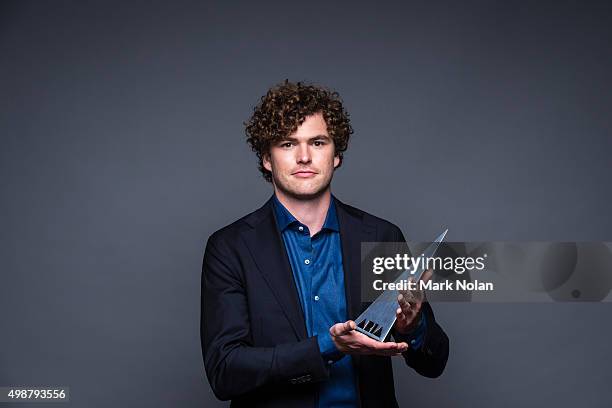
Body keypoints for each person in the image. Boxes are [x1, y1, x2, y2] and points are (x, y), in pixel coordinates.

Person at [201, 80, 449, 407]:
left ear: (336, 156)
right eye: (288, 144)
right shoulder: (230, 247)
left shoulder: (381, 236)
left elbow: (435, 362)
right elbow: (225, 371)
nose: (304, 157)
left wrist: (414, 327)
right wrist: (327, 347)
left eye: (318, 142)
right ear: (266, 158)